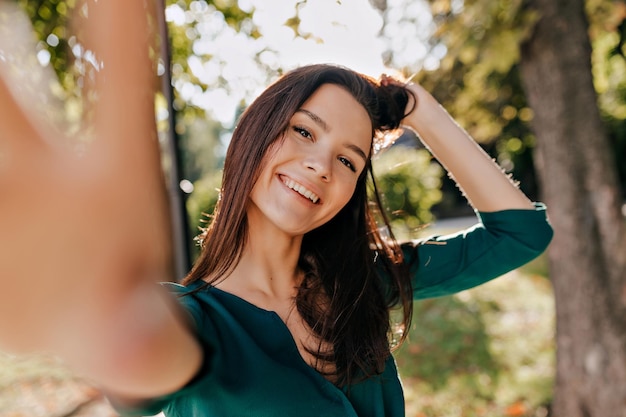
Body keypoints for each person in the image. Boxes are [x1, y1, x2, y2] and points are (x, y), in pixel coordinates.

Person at [0, 2, 552, 417]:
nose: (320, 166)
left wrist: (420, 111)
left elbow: (520, 234)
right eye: (303, 132)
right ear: (254, 137)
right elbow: (145, 359)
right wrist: (97, 306)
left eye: (349, 160)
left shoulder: (366, 282)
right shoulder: (197, 321)